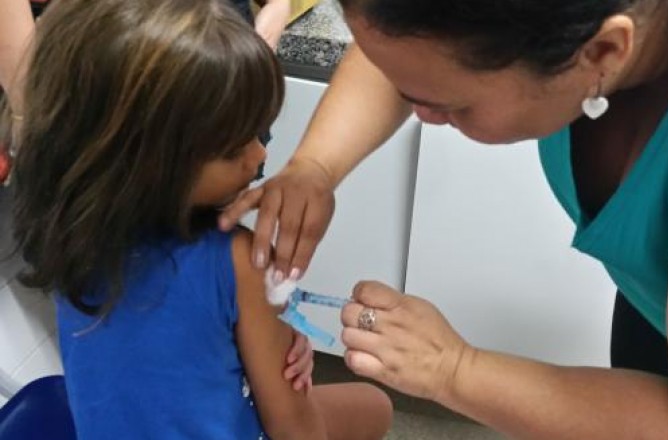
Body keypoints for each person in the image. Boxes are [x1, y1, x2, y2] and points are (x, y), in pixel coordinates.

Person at [218, 0, 668, 437]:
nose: (422, 114)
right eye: (411, 91)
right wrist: (315, 166)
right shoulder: (497, 28)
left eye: (452, 104)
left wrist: (455, 370)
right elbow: (412, 40)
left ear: (604, 54)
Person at [5, 0, 392, 438]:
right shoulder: (236, 262)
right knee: (374, 405)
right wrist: (272, 343)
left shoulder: (65, 234)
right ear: (146, 163)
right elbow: (296, 431)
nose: (260, 155)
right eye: (234, 148)